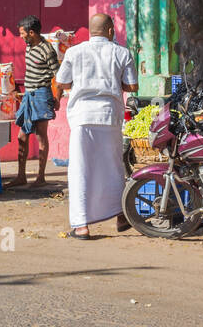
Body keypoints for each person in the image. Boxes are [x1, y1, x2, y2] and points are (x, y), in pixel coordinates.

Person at [53, 13, 138, 240]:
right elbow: (132, 86)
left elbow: (61, 82)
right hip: (109, 116)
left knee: (81, 169)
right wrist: (112, 80)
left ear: (91, 31)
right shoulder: (122, 53)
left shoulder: (74, 52)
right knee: (114, 168)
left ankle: (81, 226)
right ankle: (120, 215)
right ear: (110, 31)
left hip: (82, 116)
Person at [9, 15, 59, 188]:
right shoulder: (29, 47)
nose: (21, 36)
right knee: (22, 136)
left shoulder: (48, 50)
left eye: (22, 33)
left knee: (40, 136)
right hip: (28, 95)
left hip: (42, 96)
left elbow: (57, 76)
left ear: (32, 33)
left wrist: (57, 98)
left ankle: (40, 177)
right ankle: (21, 176)